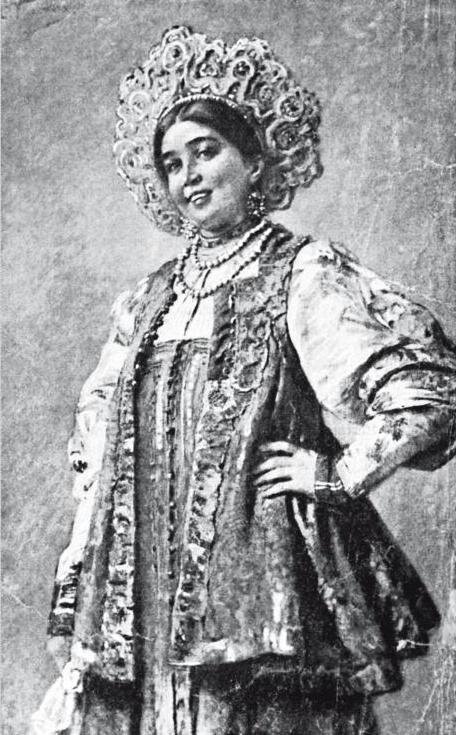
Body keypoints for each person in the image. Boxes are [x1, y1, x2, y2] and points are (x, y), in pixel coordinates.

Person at [39, 25, 456, 735]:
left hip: (261, 597)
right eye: (173, 163)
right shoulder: (145, 302)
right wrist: (72, 592)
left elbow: (432, 393)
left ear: (255, 160)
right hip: (141, 603)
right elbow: (98, 464)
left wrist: (335, 473)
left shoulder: (303, 273)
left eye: (207, 151)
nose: (190, 176)